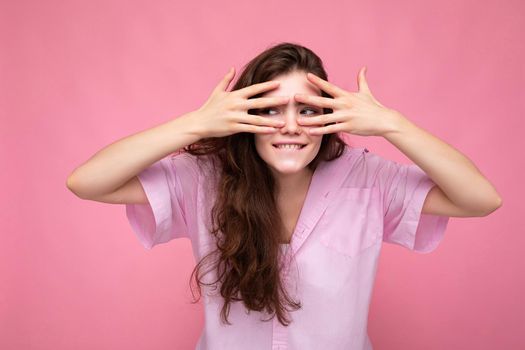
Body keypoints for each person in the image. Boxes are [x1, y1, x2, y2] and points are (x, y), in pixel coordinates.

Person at [66, 42, 502, 350]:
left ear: (331, 116)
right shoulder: (202, 178)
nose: (290, 126)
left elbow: (480, 198)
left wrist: (393, 124)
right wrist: (195, 124)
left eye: (307, 110)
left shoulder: (370, 180)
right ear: (244, 117)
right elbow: (87, 182)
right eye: (270, 110)